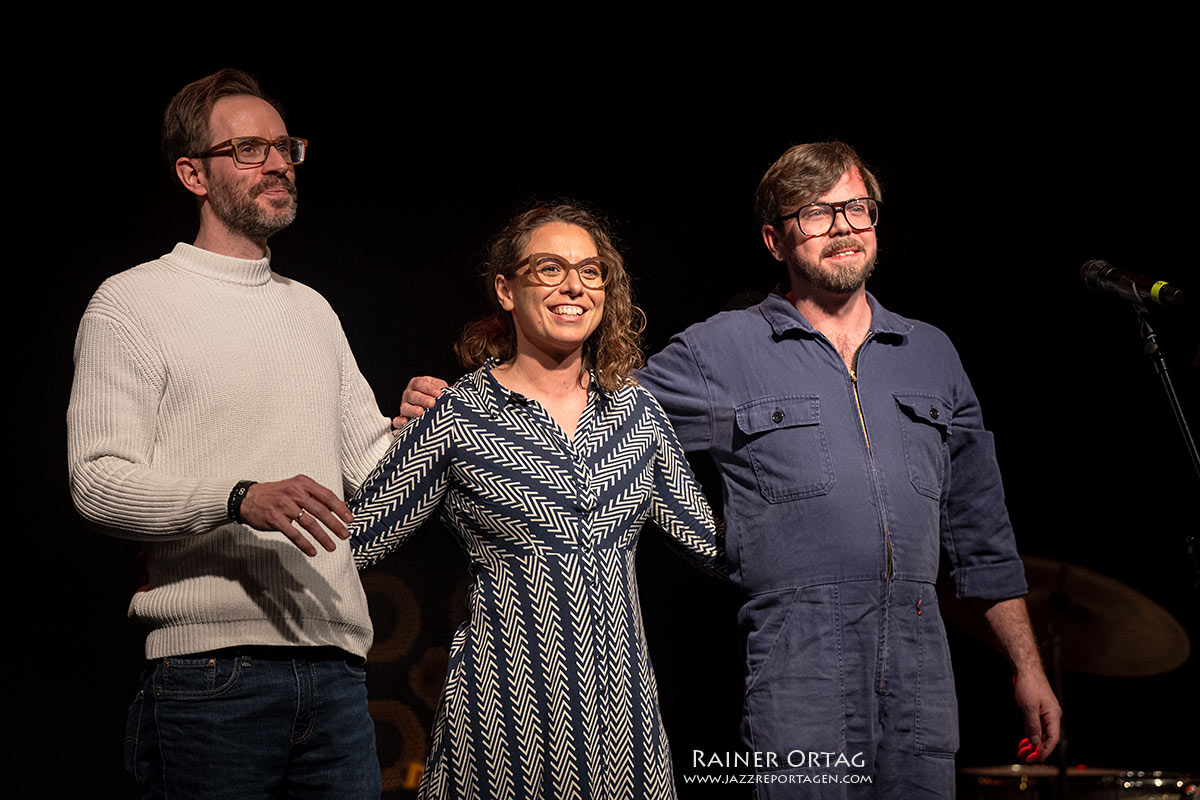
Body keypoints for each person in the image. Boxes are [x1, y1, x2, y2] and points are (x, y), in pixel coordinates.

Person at [402, 144, 1061, 798]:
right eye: (816, 213)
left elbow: (982, 531)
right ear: (776, 240)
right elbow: (585, 403)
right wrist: (465, 402)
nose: (842, 227)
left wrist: (1026, 667)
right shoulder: (721, 349)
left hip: (921, 660)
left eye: (857, 208)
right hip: (800, 659)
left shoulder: (932, 354)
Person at [67, 69, 392, 798]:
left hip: (336, 671)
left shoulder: (312, 310)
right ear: (194, 174)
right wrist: (238, 497)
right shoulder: (133, 302)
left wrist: (430, 424)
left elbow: (374, 466)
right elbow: (98, 480)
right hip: (211, 676)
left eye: (285, 146)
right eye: (249, 149)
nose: (278, 164)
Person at [350, 204, 723, 800]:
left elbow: (714, 547)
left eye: (590, 271)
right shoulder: (457, 414)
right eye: (550, 269)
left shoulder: (638, 414)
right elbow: (355, 541)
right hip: (503, 726)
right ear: (506, 290)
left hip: (624, 731)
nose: (574, 286)